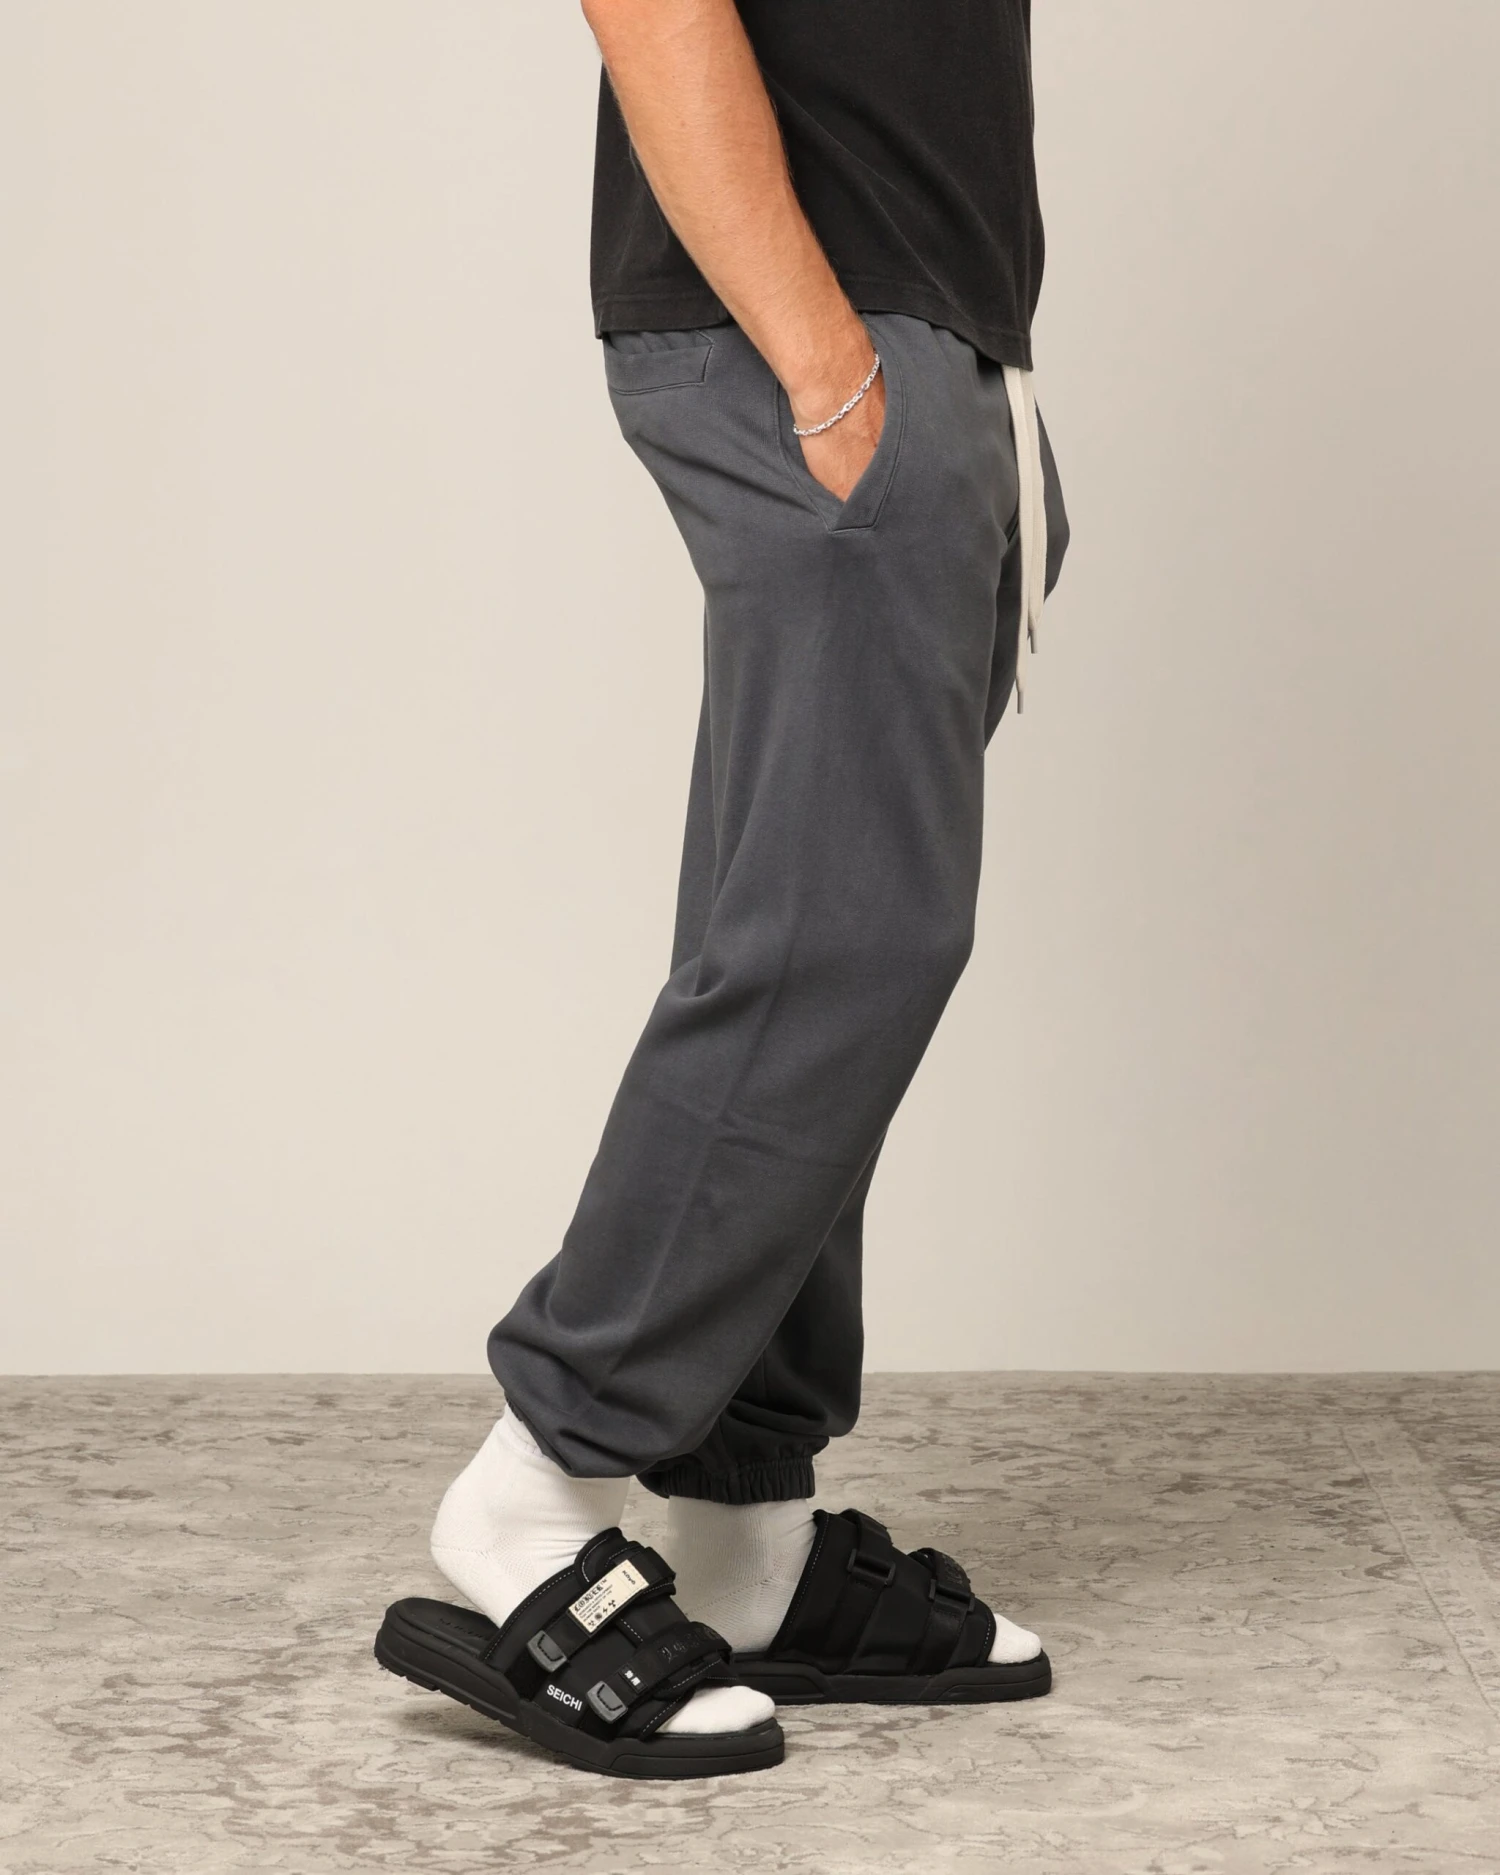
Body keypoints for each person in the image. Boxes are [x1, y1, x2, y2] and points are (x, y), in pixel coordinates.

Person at [375, 0, 1071, 1778]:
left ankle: (742, 1526)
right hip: (816, 331)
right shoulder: (829, 368)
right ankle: (544, 1477)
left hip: (920, 328)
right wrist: (836, 375)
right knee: (844, 942)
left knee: (801, 922)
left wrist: (972, 386)